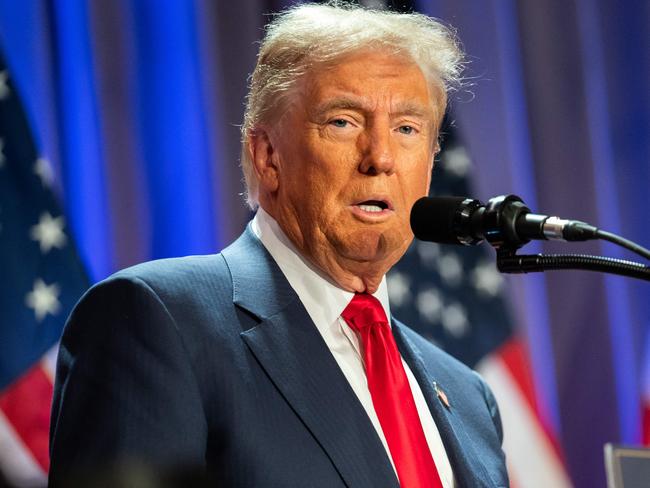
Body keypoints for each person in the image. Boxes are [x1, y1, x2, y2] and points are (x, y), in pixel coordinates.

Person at [49, 3, 508, 487]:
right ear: (267, 157)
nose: (380, 157)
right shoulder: (156, 323)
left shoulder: (469, 399)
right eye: (344, 122)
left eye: (407, 129)